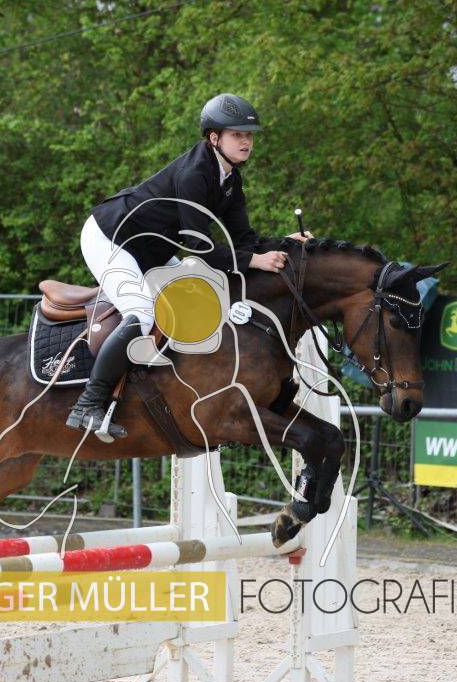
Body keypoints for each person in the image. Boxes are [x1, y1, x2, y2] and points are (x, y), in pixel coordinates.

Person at [68, 93, 313, 440]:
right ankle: (88, 404)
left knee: (197, 301)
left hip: (150, 248)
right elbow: (199, 249)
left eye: (249, 135)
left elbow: (243, 239)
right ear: (214, 138)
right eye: (237, 135)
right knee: (144, 313)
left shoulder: (230, 180)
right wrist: (255, 260)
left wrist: (284, 245)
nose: (246, 141)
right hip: (110, 237)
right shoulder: (195, 174)